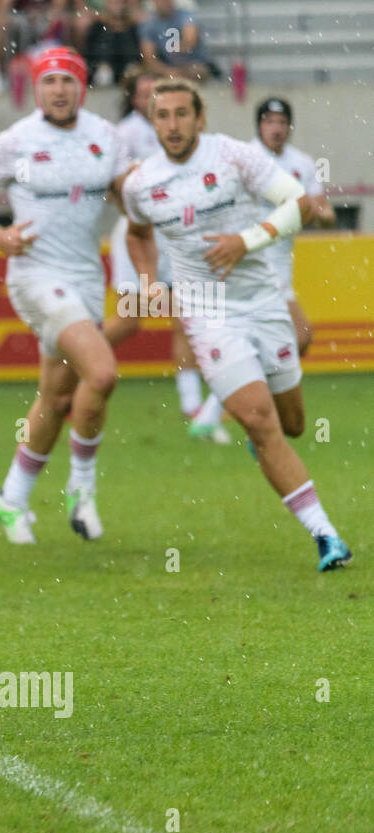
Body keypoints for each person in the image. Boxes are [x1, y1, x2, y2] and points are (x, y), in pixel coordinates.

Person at [122, 79, 350, 572]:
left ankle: (264, 442)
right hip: (206, 312)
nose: (173, 124)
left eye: (183, 114)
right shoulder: (140, 183)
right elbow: (138, 234)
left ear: (200, 119)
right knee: (262, 421)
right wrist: (147, 281)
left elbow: (301, 204)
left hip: (263, 300)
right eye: (163, 115)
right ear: (152, 122)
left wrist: (245, 241)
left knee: (293, 424)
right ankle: (326, 535)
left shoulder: (232, 156)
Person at [0, 47, 131, 545]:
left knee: (56, 396)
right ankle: (82, 488)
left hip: (87, 277)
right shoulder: (16, 142)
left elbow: (126, 197)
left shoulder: (106, 137)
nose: (59, 90)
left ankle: (10, 499)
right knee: (103, 372)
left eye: (68, 81)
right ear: (36, 89)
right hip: (34, 275)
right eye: (49, 81)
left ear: (82, 87)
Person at [104, 64, 227, 443]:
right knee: (132, 317)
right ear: (134, 97)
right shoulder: (123, 134)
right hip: (140, 234)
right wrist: (140, 208)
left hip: (177, 234)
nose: (148, 99)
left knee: (184, 314)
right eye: (142, 93)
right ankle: (77, 359)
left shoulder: (180, 131)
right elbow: (112, 184)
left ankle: (193, 406)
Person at [250, 97, 336, 358]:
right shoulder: (247, 157)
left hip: (280, 263)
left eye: (282, 122)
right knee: (298, 337)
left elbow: (325, 213)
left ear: (290, 127)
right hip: (253, 260)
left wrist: (319, 213)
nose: (276, 128)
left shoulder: (303, 163)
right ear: (259, 126)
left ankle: (252, 395)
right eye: (269, 122)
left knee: (275, 347)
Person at [139, 0, 211, 80]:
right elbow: (149, 58)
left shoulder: (186, 15)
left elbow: (190, 39)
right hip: (166, 67)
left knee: (197, 71)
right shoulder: (149, 23)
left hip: (192, 64)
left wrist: (179, 50)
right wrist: (167, 71)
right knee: (144, 74)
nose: (164, 3)